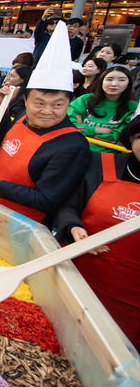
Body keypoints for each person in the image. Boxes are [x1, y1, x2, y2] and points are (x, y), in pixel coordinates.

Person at [0, 20, 91, 225]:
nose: (46, 111)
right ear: (26, 100)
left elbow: (47, 199)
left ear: (69, 103)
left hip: (22, 224)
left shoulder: (73, 145)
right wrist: (2, 109)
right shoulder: (22, 119)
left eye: (57, 105)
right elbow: (6, 138)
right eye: (39, 103)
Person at [55, 116, 140, 350]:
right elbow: (68, 206)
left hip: (131, 296)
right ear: (132, 137)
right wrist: (73, 227)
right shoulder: (100, 164)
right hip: (79, 269)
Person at [69, 66, 138, 152]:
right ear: (101, 81)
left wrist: (83, 129)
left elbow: (119, 136)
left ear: (129, 84)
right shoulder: (84, 100)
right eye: (109, 79)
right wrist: (100, 130)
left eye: (121, 80)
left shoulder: (134, 107)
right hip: (75, 148)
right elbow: (69, 125)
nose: (114, 84)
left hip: (108, 155)